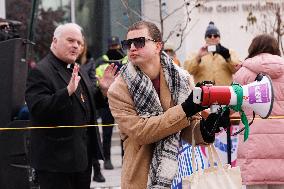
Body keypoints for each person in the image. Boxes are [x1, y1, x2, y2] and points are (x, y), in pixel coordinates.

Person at [107, 20, 228, 188]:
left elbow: (187, 127)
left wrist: (207, 129)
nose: (132, 47)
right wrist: (185, 109)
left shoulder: (183, 79)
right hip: (141, 177)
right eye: (128, 43)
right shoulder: (118, 90)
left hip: (180, 174)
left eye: (139, 41)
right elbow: (141, 132)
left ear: (158, 46)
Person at [25, 23, 118, 189]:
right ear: (55, 41)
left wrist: (103, 91)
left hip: (81, 160)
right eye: (71, 40)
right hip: (55, 164)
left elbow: (85, 103)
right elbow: (38, 110)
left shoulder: (77, 69)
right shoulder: (41, 71)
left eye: (80, 43)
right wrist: (66, 92)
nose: (76, 46)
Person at [233, 34, 284, 189]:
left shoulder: (243, 73)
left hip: (253, 138)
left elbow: (235, 105)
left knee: (255, 183)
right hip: (281, 139)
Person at [184, 21, 241, 86]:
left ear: (219, 38)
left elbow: (237, 70)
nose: (212, 37)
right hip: (203, 94)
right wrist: (198, 58)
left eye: (216, 35)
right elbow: (188, 71)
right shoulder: (195, 54)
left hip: (224, 93)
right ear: (205, 38)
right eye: (209, 36)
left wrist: (228, 58)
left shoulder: (230, 52)